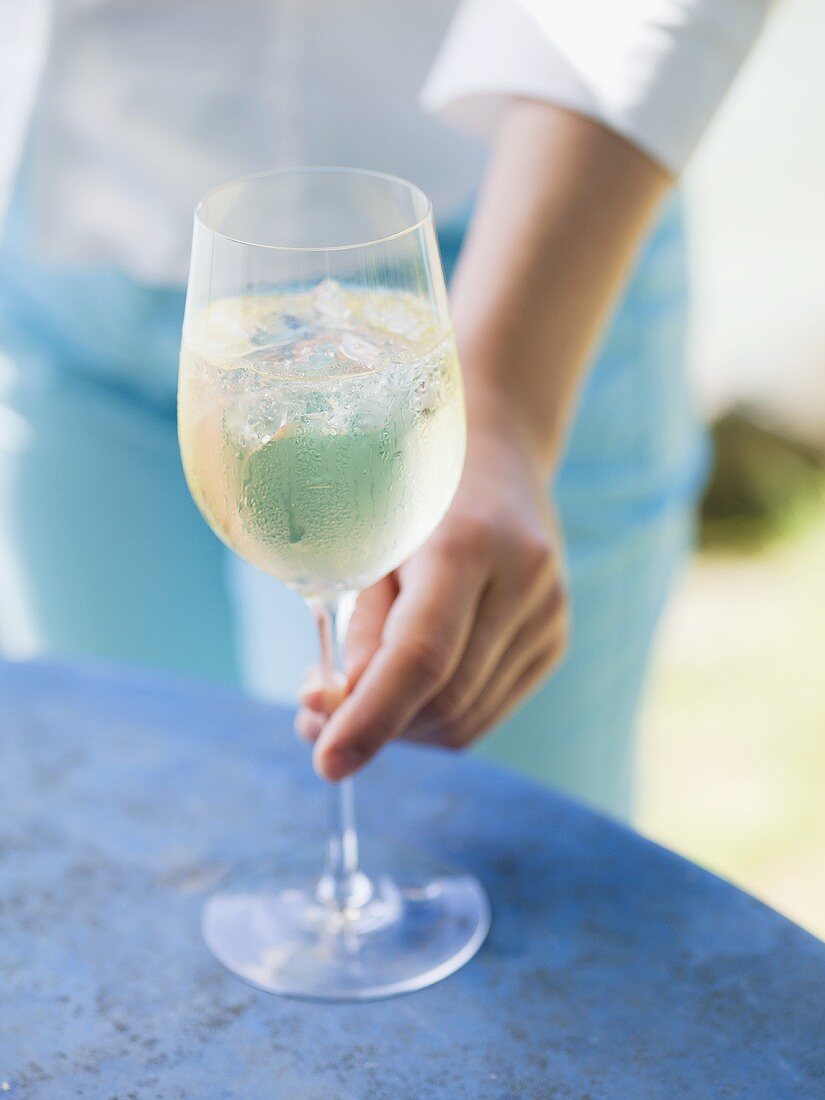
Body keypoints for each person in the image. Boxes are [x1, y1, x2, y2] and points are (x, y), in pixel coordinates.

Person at [0, 0, 770, 818]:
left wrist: (504, 402)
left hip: (505, 270)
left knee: (467, 842)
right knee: (149, 823)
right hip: (75, 243)